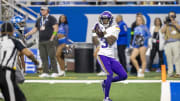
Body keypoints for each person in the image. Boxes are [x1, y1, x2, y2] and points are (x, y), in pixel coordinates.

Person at [92, 11, 127, 101]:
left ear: (110, 20)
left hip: (111, 56)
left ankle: (105, 83)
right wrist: (94, 33)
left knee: (123, 75)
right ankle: (106, 98)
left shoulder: (115, 28)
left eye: (106, 20)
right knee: (110, 74)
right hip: (102, 54)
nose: (105, 21)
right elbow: (95, 43)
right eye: (103, 20)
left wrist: (103, 32)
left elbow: (111, 41)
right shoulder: (98, 27)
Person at [0, 22, 39, 101]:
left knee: (19, 97)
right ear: (12, 31)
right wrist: (35, 61)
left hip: (5, 72)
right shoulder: (14, 41)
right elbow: (29, 54)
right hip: (5, 72)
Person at [25, 6, 59, 78]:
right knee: (43, 57)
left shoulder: (51, 18)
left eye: (44, 10)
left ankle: (55, 72)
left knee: (52, 56)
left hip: (49, 40)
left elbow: (56, 28)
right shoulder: (39, 19)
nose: (42, 11)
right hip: (41, 41)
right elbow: (35, 29)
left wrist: (52, 37)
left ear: (47, 11)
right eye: (41, 10)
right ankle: (45, 72)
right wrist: (27, 34)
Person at [161, 11, 180, 78]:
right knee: (169, 59)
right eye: (170, 16)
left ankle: (178, 73)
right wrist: (166, 24)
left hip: (176, 42)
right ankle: (170, 73)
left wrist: (175, 24)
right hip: (168, 43)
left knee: (177, 58)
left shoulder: (178, 22)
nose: (171, 17)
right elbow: (162, 31)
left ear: (175, 16)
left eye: (173, 16)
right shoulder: (166, 23)